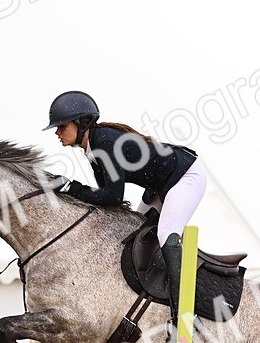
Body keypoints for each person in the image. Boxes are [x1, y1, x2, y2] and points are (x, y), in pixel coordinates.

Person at [44, 90, 206, 328]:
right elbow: (108, 199)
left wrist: (70, 187)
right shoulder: (93, 149)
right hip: (160, 185)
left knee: (165, 233)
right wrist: (72, 189)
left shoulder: (104, 143)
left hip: (186, 175)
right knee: (132, 235)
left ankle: (186, 312)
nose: (58, 132)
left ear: (81, 123)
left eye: (62, 126)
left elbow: (112, 196)